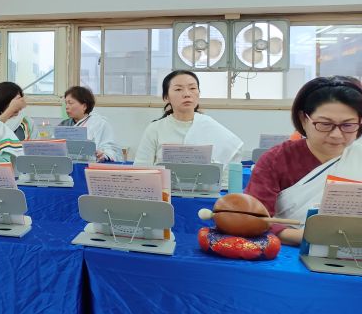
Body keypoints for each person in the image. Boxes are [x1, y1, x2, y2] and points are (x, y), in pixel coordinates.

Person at [246, 76, 362, 245]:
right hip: (287, 251)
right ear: (303, 119)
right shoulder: (277, 160)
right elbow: (253, 218)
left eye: (348, 125)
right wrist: (306, 237)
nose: (336, 135)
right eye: (325, 124)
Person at [133, 70, 243, 165]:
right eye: (178, 89)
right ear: (166, 97)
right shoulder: (155, 129)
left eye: (192, 88)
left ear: (199, 93)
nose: (187, 94)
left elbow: (232, 155)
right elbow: (141, 168)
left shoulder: (210, 126)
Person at [60, 85, 121, 161]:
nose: (66, 107)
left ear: (84, 106)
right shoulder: (63, 125)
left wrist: (104, 155)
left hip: (92, 165)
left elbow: (112, 149)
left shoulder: (100, 124)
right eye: (66, 103)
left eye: (70, 103)